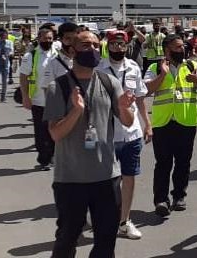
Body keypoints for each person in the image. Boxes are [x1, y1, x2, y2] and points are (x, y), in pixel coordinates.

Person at [45, 30, 136, 258]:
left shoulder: (108, 81)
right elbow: (55, 133)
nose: (93, 50)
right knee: (67, 238)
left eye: (96, 45)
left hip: (107, 177)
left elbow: (127, 121)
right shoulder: (59, 87)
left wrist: (125, 107)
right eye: (86, 45)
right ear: (72, 50)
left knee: (106, 241)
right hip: (71, 180)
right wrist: (76, 111)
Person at [98, 30, 151, 239]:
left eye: (122, 45)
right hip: (107, 134)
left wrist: (148, 125)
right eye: (114, 44)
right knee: (106, 180)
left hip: (131, 133)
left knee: (129, 177)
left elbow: (140, 99)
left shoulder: (134, 67)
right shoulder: (98, 69)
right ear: (108, 46)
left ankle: (124, 220)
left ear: (127, 46)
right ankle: (101, 215)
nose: (118, 48)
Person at [144, 34, 197, 218]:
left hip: (186, 120)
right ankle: (161, 200)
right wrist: (163, 74)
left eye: (182, 46)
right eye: (177, 47)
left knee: (183, 162)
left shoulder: (192, 65)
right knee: (163, 163)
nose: (181, 49)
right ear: (166, 50)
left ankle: (179, 196)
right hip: (163, 122)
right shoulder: (154, 67)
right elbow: (147, 90)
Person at [20, 27, 60, 171]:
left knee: (56, 130)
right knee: (42, 132)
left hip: (57, 100)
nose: (47, 41)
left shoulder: (59, 54)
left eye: (50, 38)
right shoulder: (30, 56)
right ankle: (44, 159)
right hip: (38, 100)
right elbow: (23, 76)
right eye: (44, 38)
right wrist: (25, 96)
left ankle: (54, 156)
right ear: (38, 38)